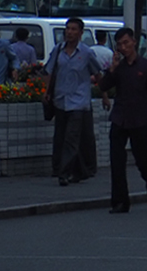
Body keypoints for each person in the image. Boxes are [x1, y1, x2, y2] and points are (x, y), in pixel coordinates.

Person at [100, 27, 147, 213]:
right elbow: (103, 86)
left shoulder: (146, 67)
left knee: (142, 159)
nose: (124, 47)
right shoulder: (118, 68)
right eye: (120, 44)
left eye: (126, 43)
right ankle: (120, 201)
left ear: (134, 42)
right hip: (119, 118)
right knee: (117, 161)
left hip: (138, 120)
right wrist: (111, 69)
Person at [46, 17, 103, 186]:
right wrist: (46, 92)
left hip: (79, 101)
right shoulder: (58, 51)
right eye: (67, 29)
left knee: (71, 138)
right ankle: (79, 171)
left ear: (80, 33)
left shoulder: (86, 53)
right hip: (60, 100)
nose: (69, 32)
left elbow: (97, 74)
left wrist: (104, 94)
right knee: (61, 137)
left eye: (73, 29)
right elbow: (49, 71)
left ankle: (63, 173)